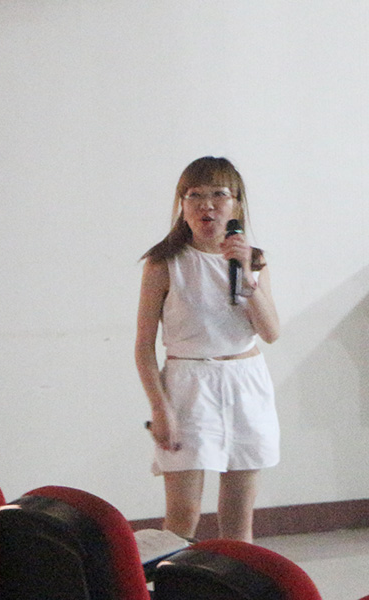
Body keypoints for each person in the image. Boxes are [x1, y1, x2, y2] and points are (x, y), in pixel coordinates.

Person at [135, 156, 281, 543]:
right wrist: (159, 407)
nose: (207, 205)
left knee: (237, 518)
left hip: (245, 382)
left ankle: (235, 578)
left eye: (219, 194)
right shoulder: (164, 263)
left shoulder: (254, 261)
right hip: (188, 383)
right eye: (195, 195)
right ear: (182, 205)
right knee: (183, 515)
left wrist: (246, 276)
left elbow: (270, 332)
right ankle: (170, 576)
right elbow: (144, 347)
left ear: (236, 204)